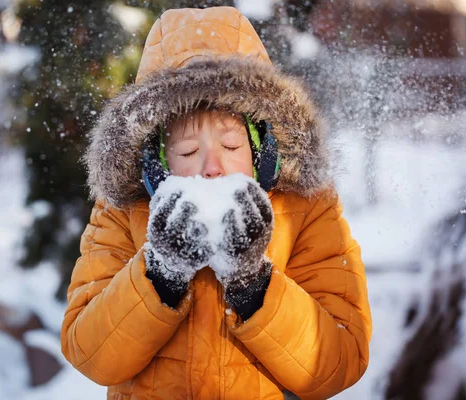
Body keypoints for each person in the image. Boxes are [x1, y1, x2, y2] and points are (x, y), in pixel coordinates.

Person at [60, 6, 372, 400]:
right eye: (188, 151)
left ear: (261, 145)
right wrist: (162, 272)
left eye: (230, 145)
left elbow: (341, 361)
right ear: (157, 157)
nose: (212, 167)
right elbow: (91, 354)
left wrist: (253, 284)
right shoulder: (122, 211)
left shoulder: (307, 206)